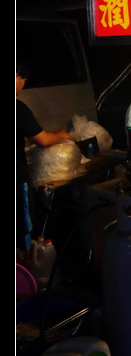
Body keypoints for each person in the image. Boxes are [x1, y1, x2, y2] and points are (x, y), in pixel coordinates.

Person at [16, 60, 71, 254]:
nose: (23, 83)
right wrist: (61, 134)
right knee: (22, 231)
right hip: (17, 180)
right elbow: (43, 140)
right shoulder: (18, 108)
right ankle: (26, 279)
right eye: (22, 77)